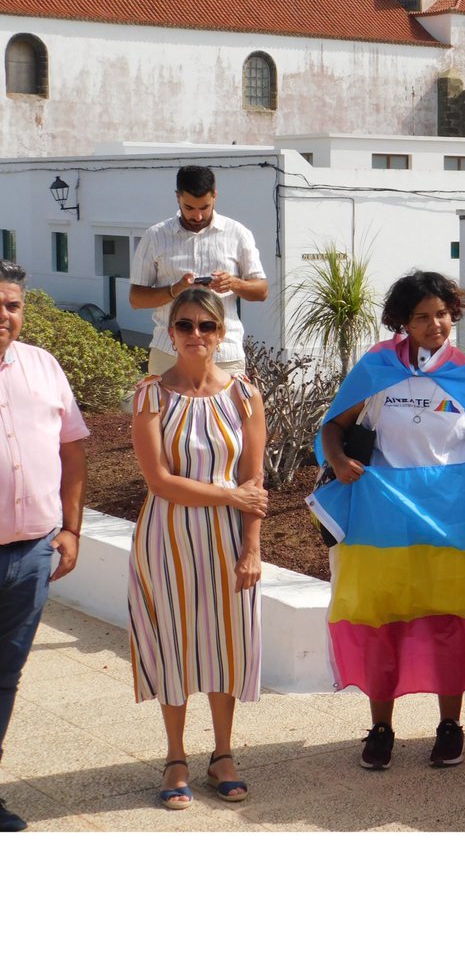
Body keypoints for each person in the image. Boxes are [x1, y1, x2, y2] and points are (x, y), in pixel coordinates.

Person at [318, 271, 465, 770]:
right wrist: (336, 461)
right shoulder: (376, 367)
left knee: (448, 626)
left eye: (442, 314)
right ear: (403, 321)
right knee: (382, 627)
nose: (434, 324)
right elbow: (334, 427)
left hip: (449, 525)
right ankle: (380, 728)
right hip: (381, 524)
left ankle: (450, 725)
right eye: (421, 317)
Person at [128, 287, 268, 810]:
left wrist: (251, 548)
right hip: (167, 538)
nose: (195, 335)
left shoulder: (244, 395)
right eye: (185, 325)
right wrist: (230, 494)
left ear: (221, 332)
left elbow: (255, 477)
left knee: (227, 643)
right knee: (173, 643)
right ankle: (175, 756)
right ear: (171, 333)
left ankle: (224, 753)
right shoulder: (150, 396)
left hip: (230, 537)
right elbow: (159, 481)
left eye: (206, 326)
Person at [0, 261, 89, 832]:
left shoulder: (44, 366)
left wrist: (72, 529)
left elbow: (73, 451)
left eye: (11, 305)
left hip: (32, 553)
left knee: (6, 675)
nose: (4, 316)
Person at [130, 164, 268, 376]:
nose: (198, 216)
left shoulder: (238, 234)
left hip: (224, 354)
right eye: (189, 208)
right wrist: (175, 290)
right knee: (162, 410)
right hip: (168, 353)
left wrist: (233, 283)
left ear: (215, 196)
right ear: (178, 198)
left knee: (229, 410)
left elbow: (261, 291)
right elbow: (137, 299)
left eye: (204, 207)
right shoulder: (155, 236)